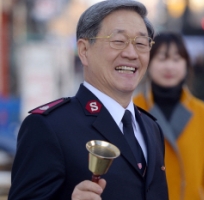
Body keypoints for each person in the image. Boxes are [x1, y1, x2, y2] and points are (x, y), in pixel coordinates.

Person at [8, 1, 168, 199]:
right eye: (118, 41)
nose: (131, 53)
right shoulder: (49, 126)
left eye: (141, 43)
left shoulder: (151, 128)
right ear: (84, 51)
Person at [134, 32, 204, 200]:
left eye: (176, 59)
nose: (170, 66)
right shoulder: (132, 110)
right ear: (148, 63)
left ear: (186, 65)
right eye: (162, 59)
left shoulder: (202, 113)